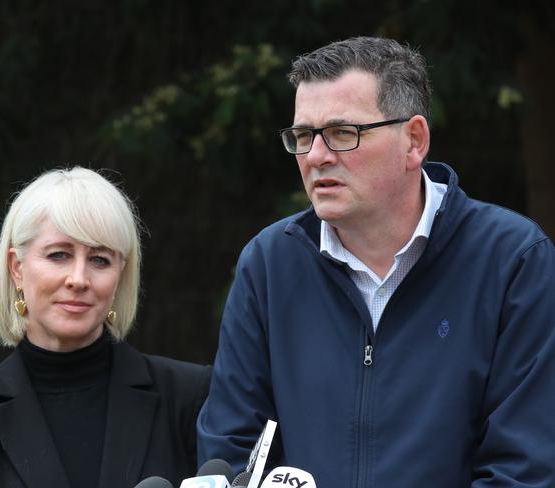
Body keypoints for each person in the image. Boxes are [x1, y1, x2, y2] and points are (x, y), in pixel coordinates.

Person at [197, 37, 555, 487]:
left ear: (414, 141)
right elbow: (231, 452)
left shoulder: (511, 260)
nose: (316, 156)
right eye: (303, 136)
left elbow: (525, 469)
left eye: (344, 134)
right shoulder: (270, 264)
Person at [0, 167, 211, 488]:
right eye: (59, 255)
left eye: (99, 259)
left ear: (120, 275)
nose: (79, 279)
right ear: (17, 268)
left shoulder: (189, 397)